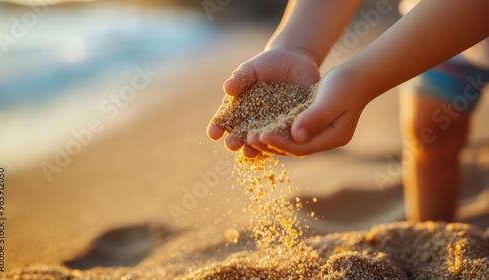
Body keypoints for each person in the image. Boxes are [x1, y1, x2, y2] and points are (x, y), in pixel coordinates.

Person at [207, 0, 489, 223]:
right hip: (432, 30)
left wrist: (359, 80)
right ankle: (433, 238)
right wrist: (295, 46)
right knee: (429, 131)